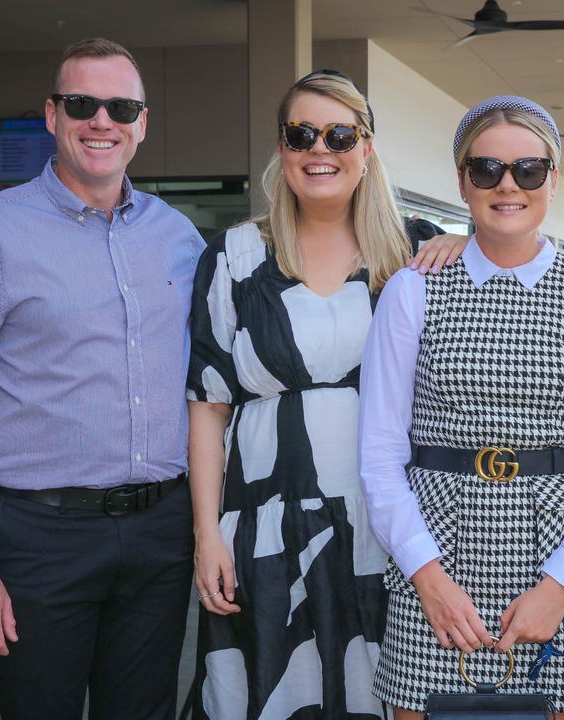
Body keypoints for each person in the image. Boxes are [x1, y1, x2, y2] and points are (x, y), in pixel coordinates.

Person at [0, 38, 202, 720]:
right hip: (40, 537)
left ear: (143, 122)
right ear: (51, 114)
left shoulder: (179, 238)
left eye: (120, 106)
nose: (102, 120)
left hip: (161, 532)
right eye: (82, 104)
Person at [187, 69, 465, 720]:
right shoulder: (234, 257)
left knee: (378, 689)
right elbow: (207, 405)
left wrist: (470, 245)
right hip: (262, 524)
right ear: (281, 149)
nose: (321, 148)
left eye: (341, 134)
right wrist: (206, 535)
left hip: (387, 528)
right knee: (267, 689)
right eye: (301, 133)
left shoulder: (416, 252)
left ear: (366, 150)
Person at [359, 96, 564, 719]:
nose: (507, 185)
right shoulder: (413, 291)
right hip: (433, 556)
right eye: (486, 169)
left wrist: (562, 585)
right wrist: (425, 578)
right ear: (463, 181)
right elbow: (380, 453)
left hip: (561, 558)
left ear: (553, 177)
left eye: (529, 169)